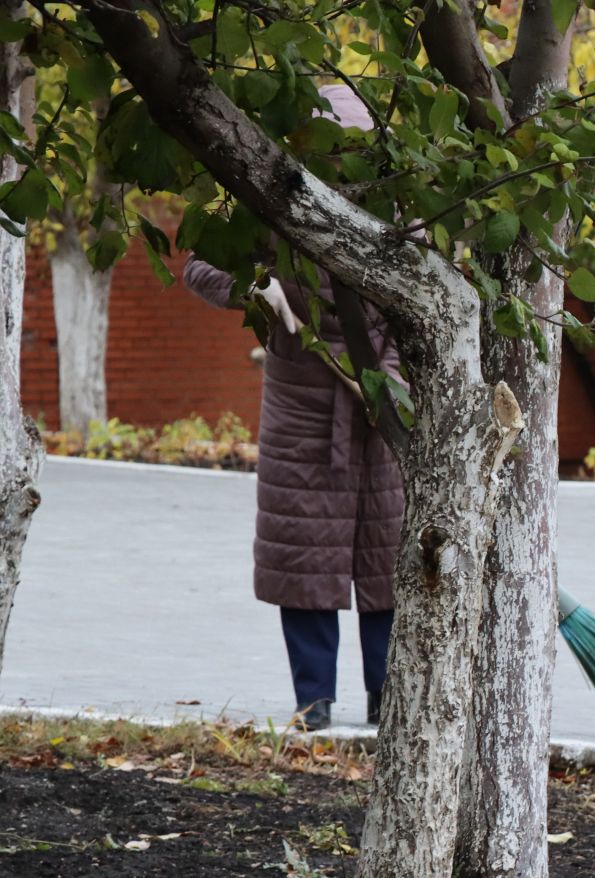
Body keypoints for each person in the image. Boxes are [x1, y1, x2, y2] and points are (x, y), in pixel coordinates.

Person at [183, 84, 402, 732]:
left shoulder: (398, 217)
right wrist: (259, 289)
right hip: (302, 412)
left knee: (388, 558)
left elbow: (425, 307)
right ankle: (315, 701)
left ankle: (388, 696)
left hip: (383, 412)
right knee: (304, 556)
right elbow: (201, 267)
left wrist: (388, 382)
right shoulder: (271, 207)